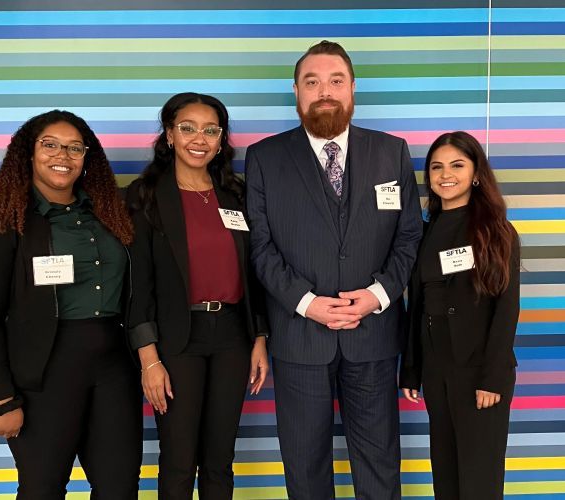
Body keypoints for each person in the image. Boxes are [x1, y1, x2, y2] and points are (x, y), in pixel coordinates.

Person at [245, 40, 422, 499]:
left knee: (379, 464)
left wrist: (377, 296)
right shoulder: (265, 159)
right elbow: (260, 248)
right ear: (297, 91)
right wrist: (307, 304)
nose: (325, 91)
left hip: (374, 335)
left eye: (335, 81)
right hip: (299, 339)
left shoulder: (392, 153)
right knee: (304, 468)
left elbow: (408, 238)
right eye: (313, 82)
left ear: (353, 89)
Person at [0, 110, 142, 499]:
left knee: (120, 488)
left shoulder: (111, 214)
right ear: (28, 153)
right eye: (50, 145)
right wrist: (1, 398)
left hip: (114, 370)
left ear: (86, 158)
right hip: (43, 374)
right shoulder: (1, 221)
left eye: (75, 148)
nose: (63, 155)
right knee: (42, 489)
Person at [126, 92, 269, 500]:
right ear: (169, 135)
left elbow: (254, 274)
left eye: (211, 130)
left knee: (220, 459)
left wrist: (259, 336)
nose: (199, 139)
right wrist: (149, 359)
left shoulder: (236, 194)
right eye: (187, 128)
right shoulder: (145, 196)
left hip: (233, 336)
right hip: (176, 339)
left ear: (222, 139)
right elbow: (137, 285)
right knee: (178, 459)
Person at [399, 131, 520, 500]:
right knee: (447, 478)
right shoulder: (425, 229)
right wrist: (413, 369)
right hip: (438, 370)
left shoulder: (496, 230)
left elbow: (506, 307)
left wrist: (493, 377)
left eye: (456, 165)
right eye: (436, 167)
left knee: (478, 482)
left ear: (476, 173)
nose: (445, 174)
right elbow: (417, 304)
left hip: (479, 373)